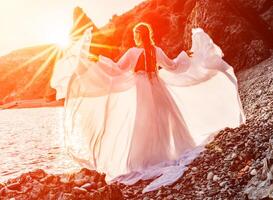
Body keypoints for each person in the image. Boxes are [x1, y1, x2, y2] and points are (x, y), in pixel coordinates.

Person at [50, 22, 245, 192]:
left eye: (135, 34)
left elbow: (118, 70)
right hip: (158, 88)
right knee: (166, 122)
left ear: (138, 35)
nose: (134, 37)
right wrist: (187, 57)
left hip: (142, 91)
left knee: (143, 125)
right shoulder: (156, 51)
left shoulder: (134, 53)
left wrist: (97, 63)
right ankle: (171, 152)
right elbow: (172, 66)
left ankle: (146, 160)